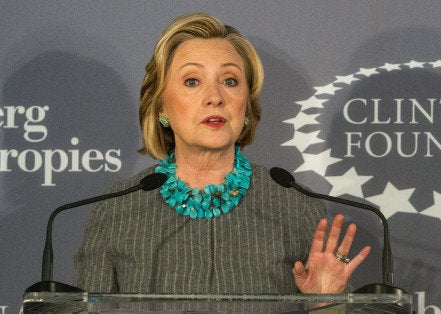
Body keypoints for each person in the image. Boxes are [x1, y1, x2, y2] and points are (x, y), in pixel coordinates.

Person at [74, 13, 370, 295]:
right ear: (162, 106)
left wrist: (326, 304)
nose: (215, 97)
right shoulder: (118, 209)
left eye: (230, 81)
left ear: (246, 106)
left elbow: (330, 302)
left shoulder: (295, 206)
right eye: (192, 81)